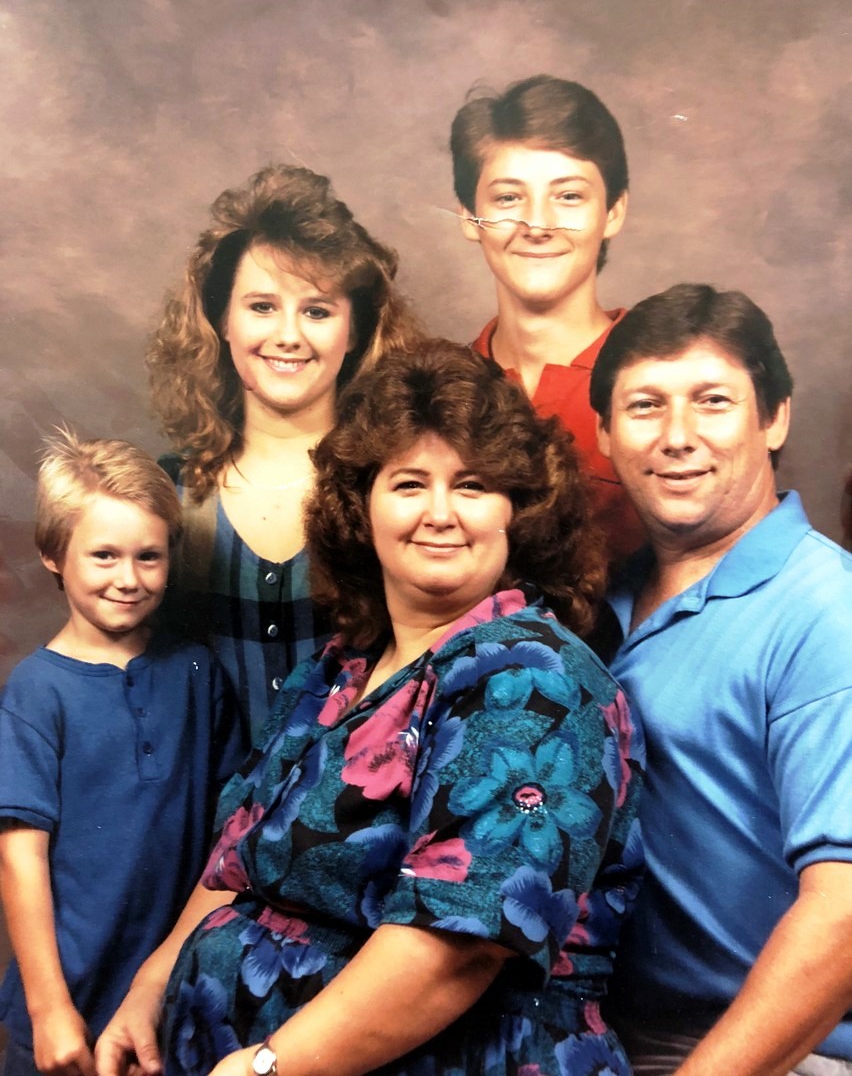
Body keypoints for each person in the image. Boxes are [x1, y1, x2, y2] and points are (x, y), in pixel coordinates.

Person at [96, 340, 644, 1076]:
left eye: (473, 486)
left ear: (519, 511)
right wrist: (152, 987)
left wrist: (269, 1066)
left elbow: (458, 948)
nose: (440, 513)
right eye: (409, 483)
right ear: (362, 506)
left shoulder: (536, 679)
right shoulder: (339, 669)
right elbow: (241, 859)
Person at [588, 283, 852, 1074]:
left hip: (782, 1051)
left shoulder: (826, 613)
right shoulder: (595, 607)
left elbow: (843, 915)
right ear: (603, 433)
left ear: (774, 419)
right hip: (616, 1037)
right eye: (645, 406)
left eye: (712, 401)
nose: (678, 437)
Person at [0, 430, 246, 1076]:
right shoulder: (37, 691)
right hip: (67, 1003)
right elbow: (20, 856)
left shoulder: (197, 673)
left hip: (170, 999)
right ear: (54, 554)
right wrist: (48, 1009)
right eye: (104, 555)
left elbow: (231, 830)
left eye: (149, 557)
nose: (129, 579)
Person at [150, 163, 421, 745]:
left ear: (355, 331)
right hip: (199, 798)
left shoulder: (393, 484)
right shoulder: (167, 493)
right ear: (222, 319)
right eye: (262, 306)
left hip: (348, 799)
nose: (289, 335)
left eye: (317, 310)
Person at [450, 73, 643, 560]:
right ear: (469, 217)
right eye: (508, 198)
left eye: (569, 196)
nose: (537, 224)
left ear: (613, 212)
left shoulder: (660, 378)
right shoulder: (441, 388)